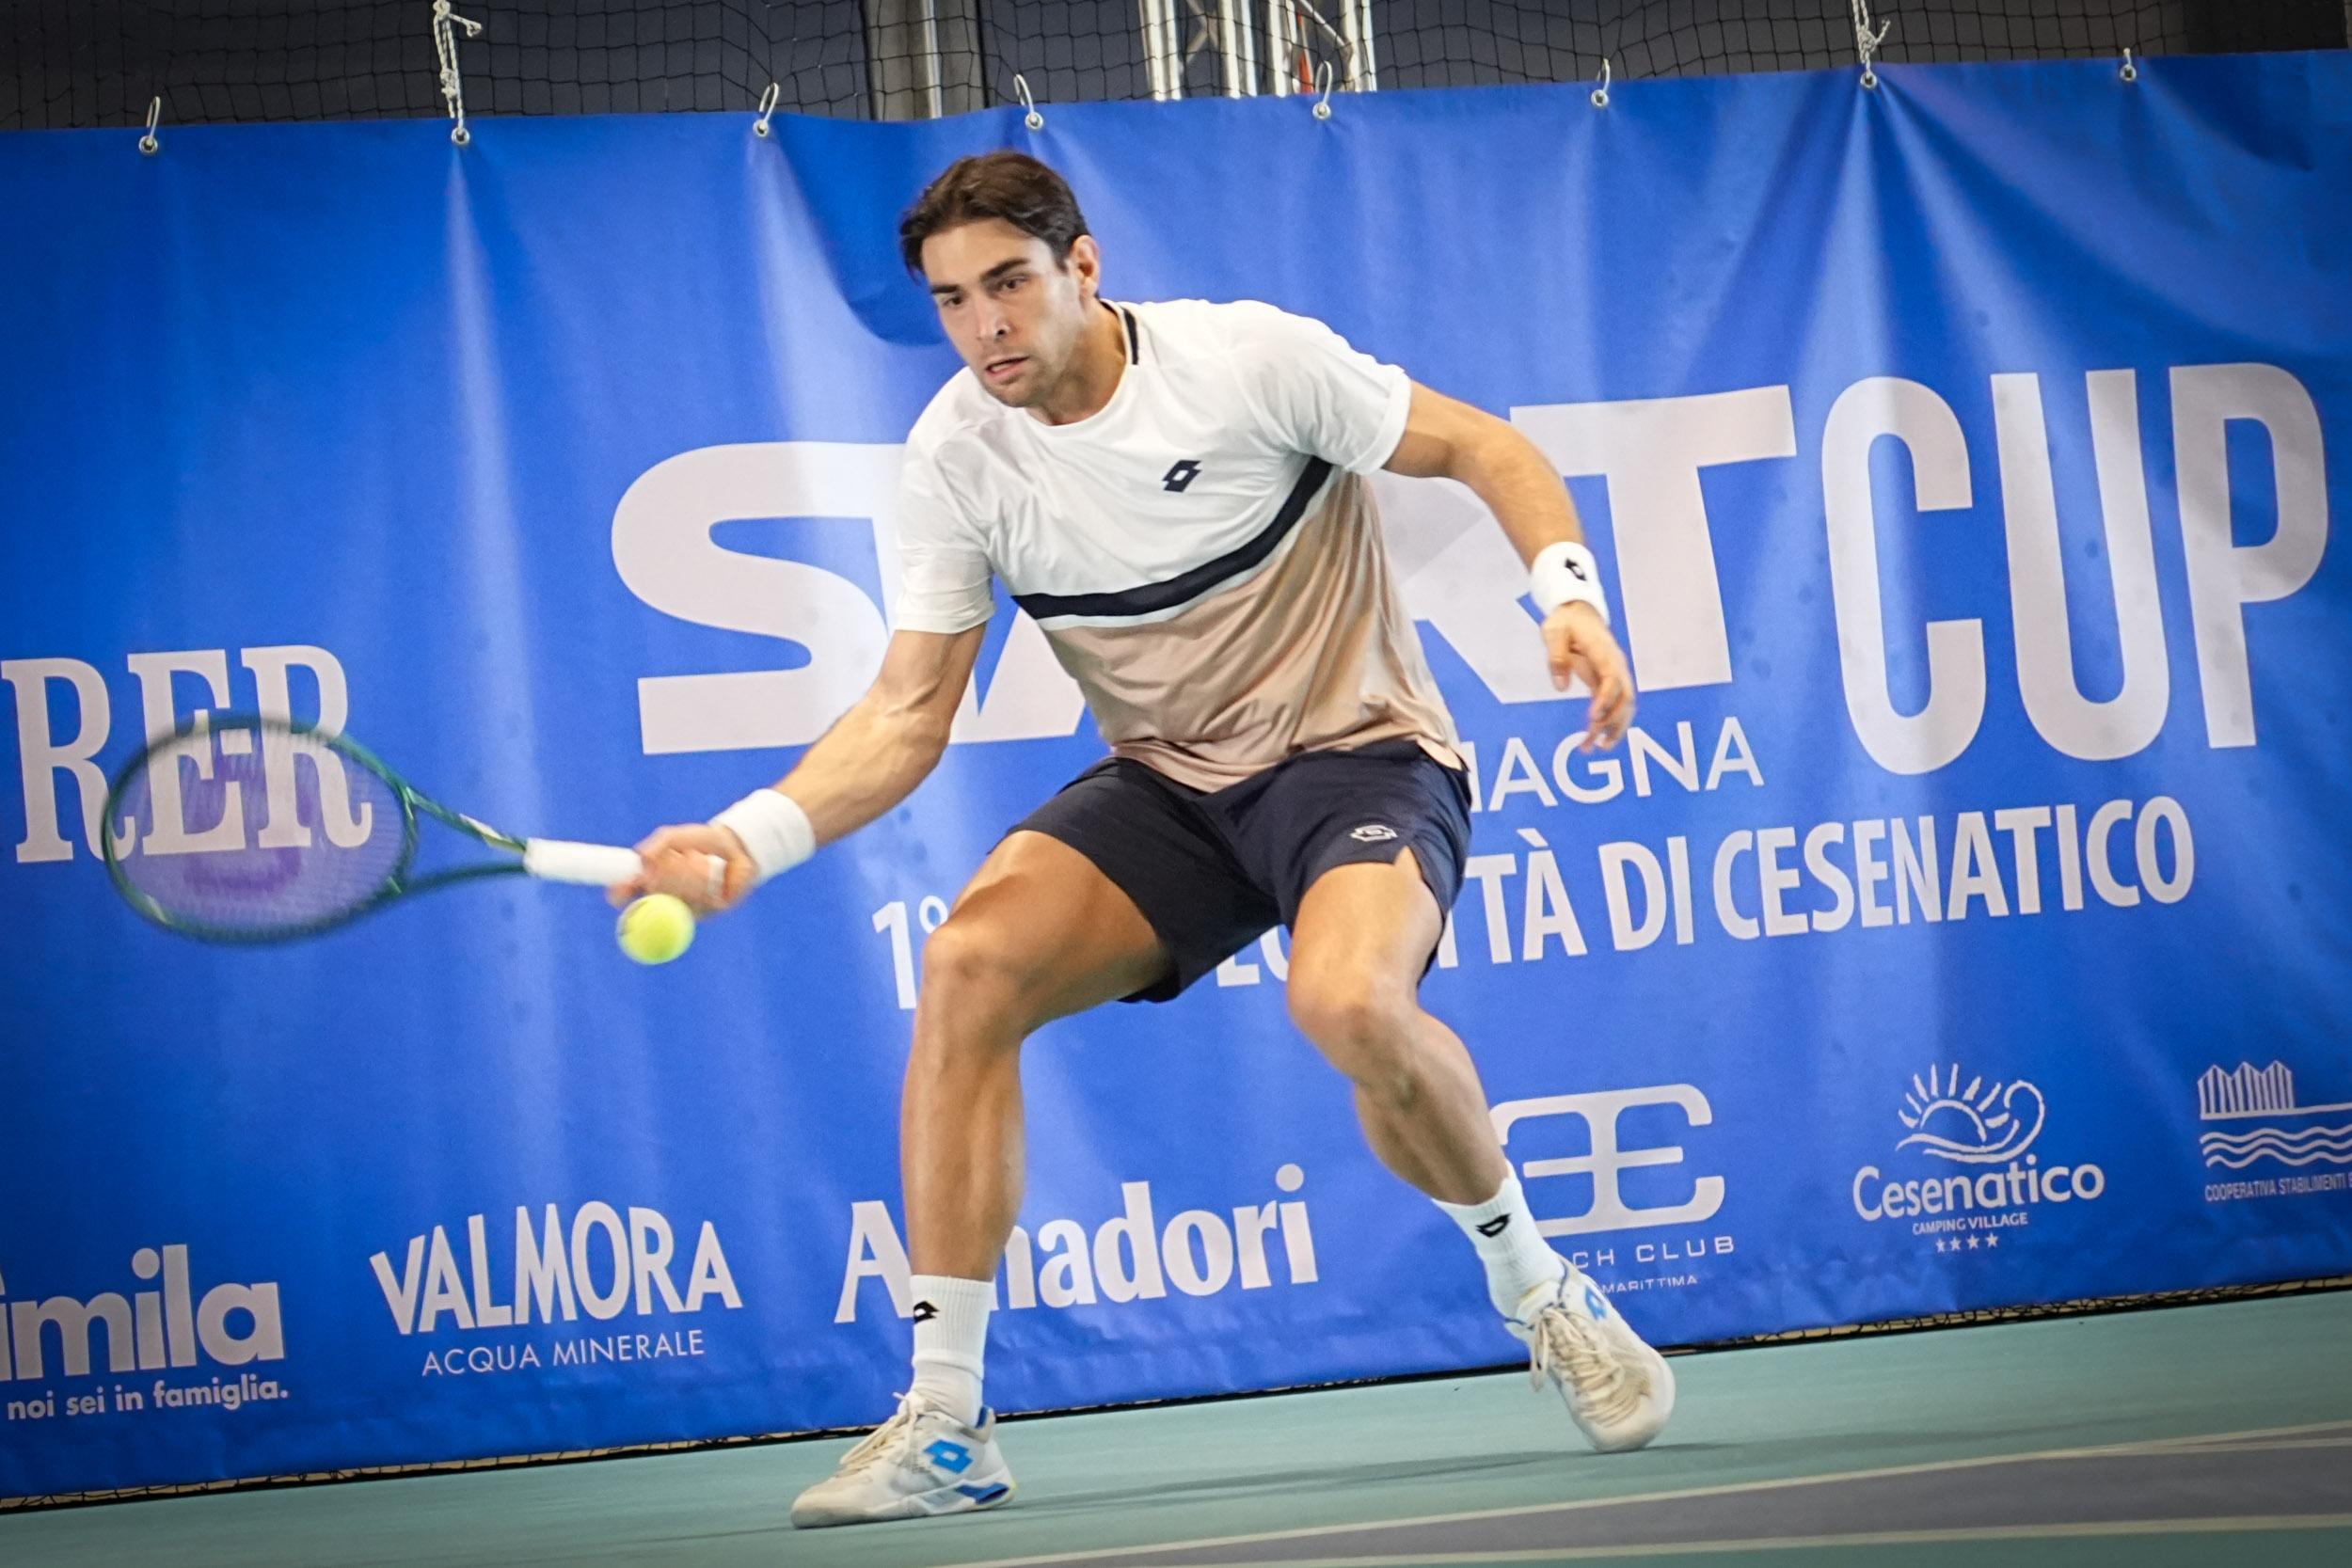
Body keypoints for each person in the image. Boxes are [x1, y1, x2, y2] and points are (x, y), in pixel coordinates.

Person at [613, 150, 1670, 1530]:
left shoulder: (1244, 364)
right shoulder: (955, 459)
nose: (986, 324)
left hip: (1357, 750)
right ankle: (947, 1422)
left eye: (1009, 283)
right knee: (972, 967)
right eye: (952, 301)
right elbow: (907, 712)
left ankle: (1539, 1286)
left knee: (1349, 1003)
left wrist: (1568, 596)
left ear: (1084, 268)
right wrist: (752, 839)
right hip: (1171, 784)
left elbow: (1484, 447)